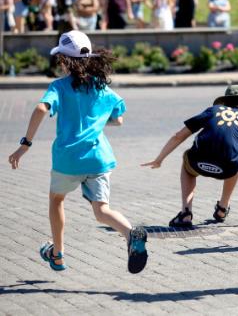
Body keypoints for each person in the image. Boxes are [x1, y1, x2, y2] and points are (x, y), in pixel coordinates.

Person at [7, 31, 148, 273]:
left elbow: (41, 108)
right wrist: (95, 122)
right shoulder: (101, 87)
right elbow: (119, 119)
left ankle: (58, 254)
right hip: (98, 159)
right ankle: (130, 234)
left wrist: (25, 144)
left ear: (64, 60)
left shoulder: (59, 87)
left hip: (68, 160)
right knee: (102, 210)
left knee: (56, 200)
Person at [142, 85, 238, 227]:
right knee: (237, 158)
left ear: (224, 102)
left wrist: (159, 159)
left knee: (187, 161)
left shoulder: (212, 111)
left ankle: (186, 213)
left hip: (198, 163)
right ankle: (222, 209)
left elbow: (178, 136)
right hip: (227, 169)